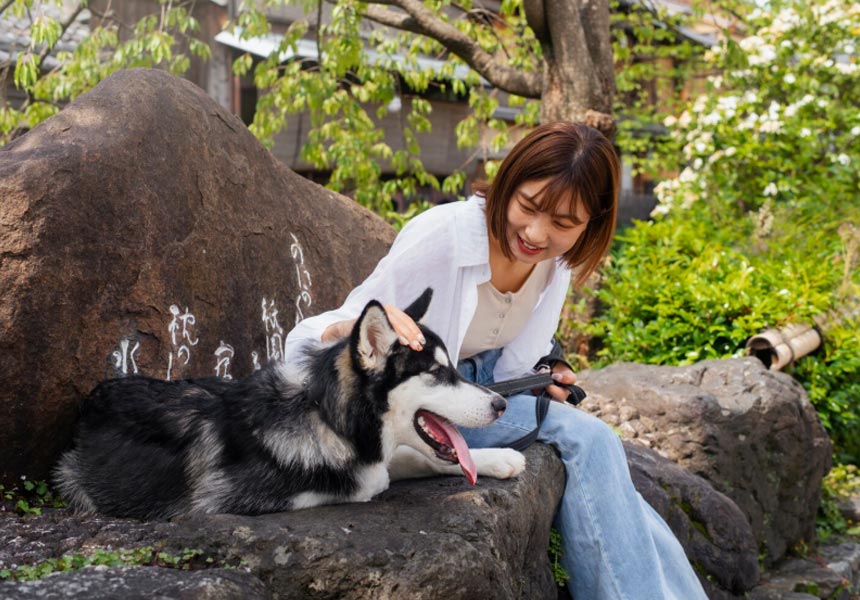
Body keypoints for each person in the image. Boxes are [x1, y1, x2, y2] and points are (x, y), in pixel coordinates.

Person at [284, 122, 707, 599]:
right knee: (591, 440)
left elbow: (510, 366)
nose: (536, 233)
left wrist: (543, 375)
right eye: (528, 206)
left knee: (614, 486)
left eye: (564, 223)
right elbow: (311, 343)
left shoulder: (555, 264)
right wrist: (348, 329)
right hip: (421, 404)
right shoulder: (443, 235)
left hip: (482, 393)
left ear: (591, 222)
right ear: (507, 182)